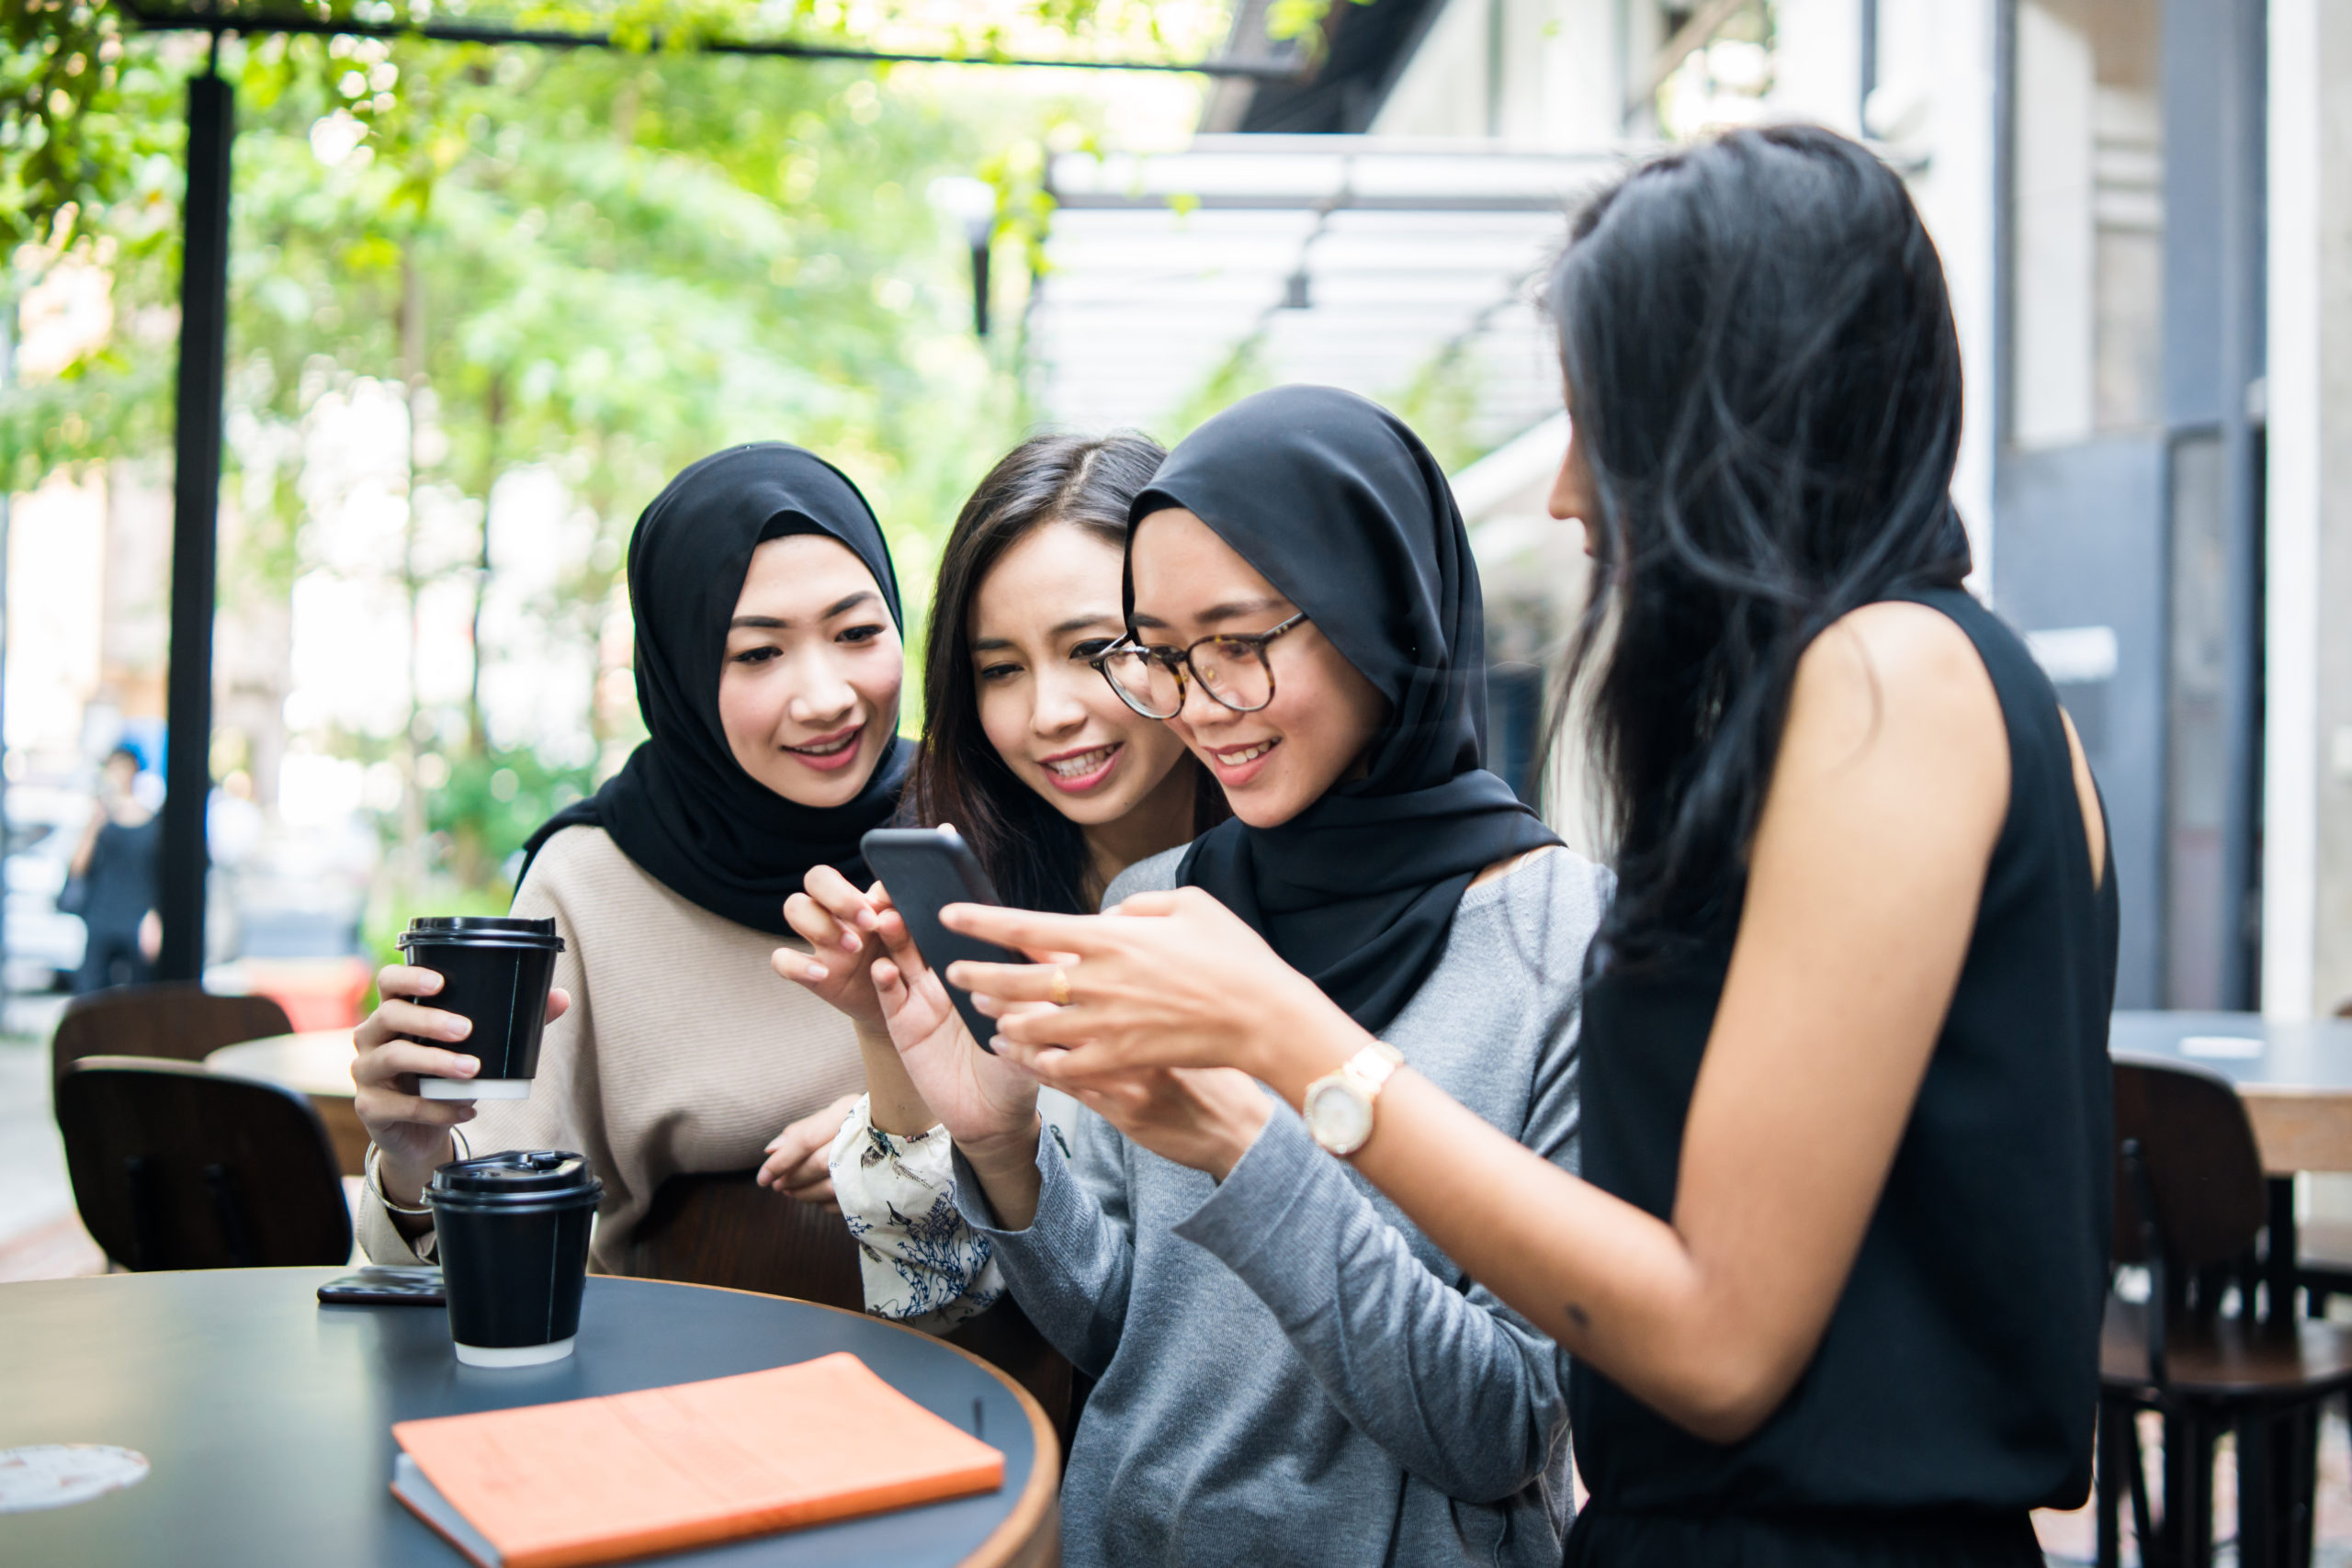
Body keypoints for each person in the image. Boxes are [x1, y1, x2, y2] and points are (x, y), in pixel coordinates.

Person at [952, 128, 2119, 1567]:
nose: (1567, 488)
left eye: (1595, 415)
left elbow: (1714, 1339)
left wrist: (1295, 1051)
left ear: (1734, 405)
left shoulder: (1892, 680)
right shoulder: (1888, 680)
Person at [858, 387, 1611, 1568]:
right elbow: (1121, 1329)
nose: (1199, 707)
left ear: (1384, 615)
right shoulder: (1154, 900)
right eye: (1157, 657)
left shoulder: (1561, 935)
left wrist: (1246, 1150)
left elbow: (1504, 1431)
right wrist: (1003, 1145)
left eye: (1240, 645)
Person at [350, 443, 911, 1269]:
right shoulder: (591, 880)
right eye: (757, 652)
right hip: (667, 1367)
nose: (827, 697)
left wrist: (911, 1125)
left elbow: (1093, 1161)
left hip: (967, 1377)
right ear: (679, 671)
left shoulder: (974, 830)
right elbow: (477, 1246)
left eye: (858, 632)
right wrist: (412, 1160)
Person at [771, 432, 1222, 1329]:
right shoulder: (969, 893)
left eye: (1094, 649)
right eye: (1001, 670)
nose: (1049, 715)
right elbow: (935, 1298)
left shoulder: (1281, 896)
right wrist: (891, 1071)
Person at [69, 744, 162, 994]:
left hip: (137, 916)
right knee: (90, 991)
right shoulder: (101, 819)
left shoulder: (152, 823)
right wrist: (94, 822)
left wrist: (155, 916)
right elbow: (77, 867)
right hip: (102, 914)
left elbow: (158, 874)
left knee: (140, 993)